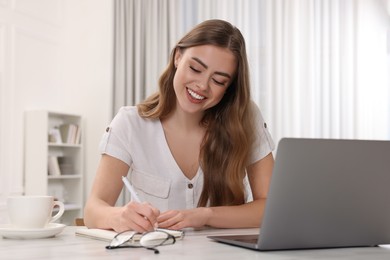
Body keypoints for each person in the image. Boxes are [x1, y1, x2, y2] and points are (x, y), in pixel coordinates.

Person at [84, 19, 275, 233]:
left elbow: (270, 207)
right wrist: (118, 216)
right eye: (195, 68)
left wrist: (205, 215)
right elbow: (93, 210)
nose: (202, 86)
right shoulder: (131, 123)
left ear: (228, 88)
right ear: (177, 57)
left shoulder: (245, 117)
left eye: (219, 81)